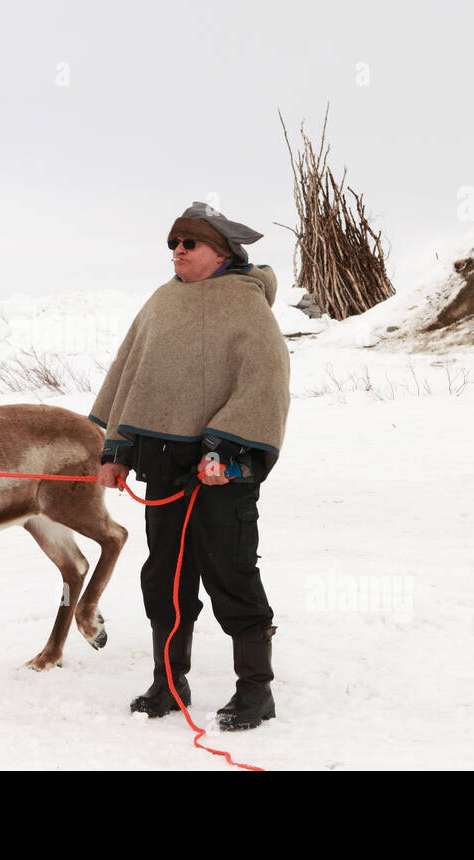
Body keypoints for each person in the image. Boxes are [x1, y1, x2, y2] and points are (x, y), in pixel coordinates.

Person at [89, 203, 291, 731]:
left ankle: (255, 691)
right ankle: (168, 681)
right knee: (166, 577)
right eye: (173, 243)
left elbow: (262, 384)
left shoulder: (246, 306)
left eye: (189, 243)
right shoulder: (162, 302)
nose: (178, 251)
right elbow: (130, 376)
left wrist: (226, 451)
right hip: (163, 471)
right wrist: (116, 451)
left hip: (221, 474)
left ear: (220, 252)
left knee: (232, 575)